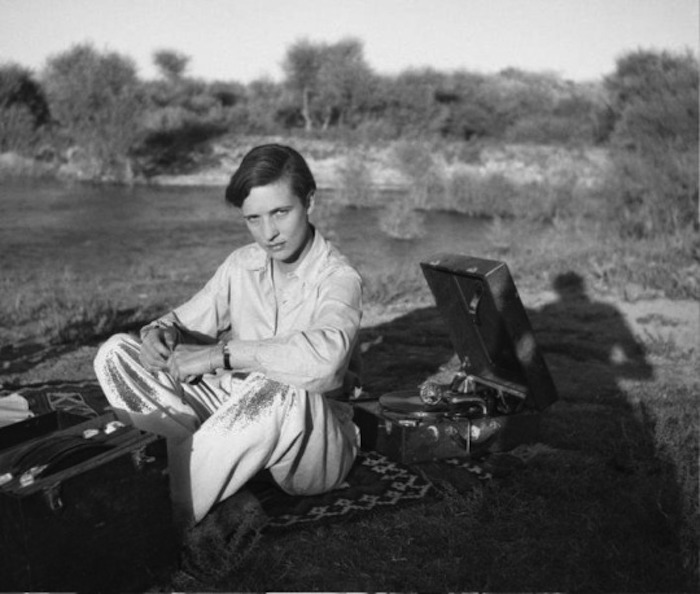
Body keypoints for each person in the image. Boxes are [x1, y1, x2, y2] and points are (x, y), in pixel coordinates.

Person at [94, 144, 363, 528]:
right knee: (116, 353)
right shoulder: (242, 264)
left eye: (280, 213)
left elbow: (327, 361)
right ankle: (207, 474)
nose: (268, 233)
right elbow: (184, 319)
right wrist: (159, 334)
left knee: (276, 390)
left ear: (309, 201)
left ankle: (156, 516)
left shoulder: (339, 278)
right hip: (235, 412)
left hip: (311, 446)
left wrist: (217, 355)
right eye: (253, 219)